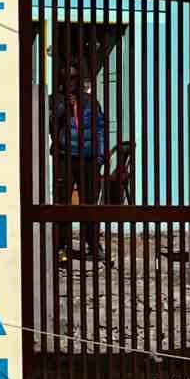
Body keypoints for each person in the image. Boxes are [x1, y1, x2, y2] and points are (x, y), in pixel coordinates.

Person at [48, 64, 107, 263]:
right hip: (65, 157)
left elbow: (100, 128)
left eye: (73, 78)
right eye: (66, 78)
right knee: (63, 202)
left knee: (90, 202)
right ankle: (61, 247)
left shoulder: (91, 101)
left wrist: (100, 155)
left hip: (88, 158)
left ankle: (92, 243)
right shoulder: (55, 100)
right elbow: (50, 127)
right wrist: (63, 108)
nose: (70, 82)